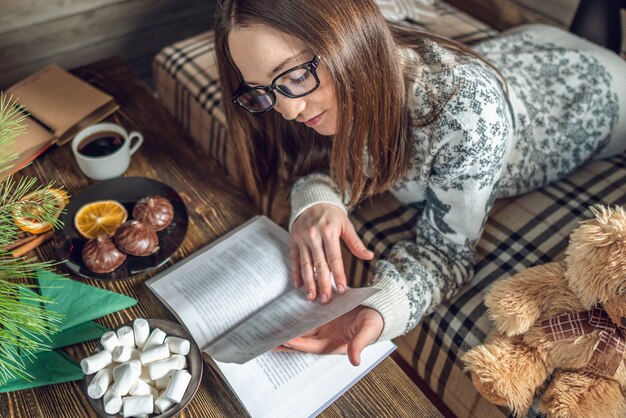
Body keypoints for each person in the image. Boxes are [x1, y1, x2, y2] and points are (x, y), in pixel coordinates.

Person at [214, 0, 626, 366]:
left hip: (602, 90)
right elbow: (320, 162)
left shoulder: (465, 111)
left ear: (348, 37)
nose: (286, 111)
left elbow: (446, 253)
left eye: (295, 77)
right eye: (261, 91)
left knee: (605, 53)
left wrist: (378, 311)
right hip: (527, 47)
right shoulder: (328, 82)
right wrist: (317, 199)